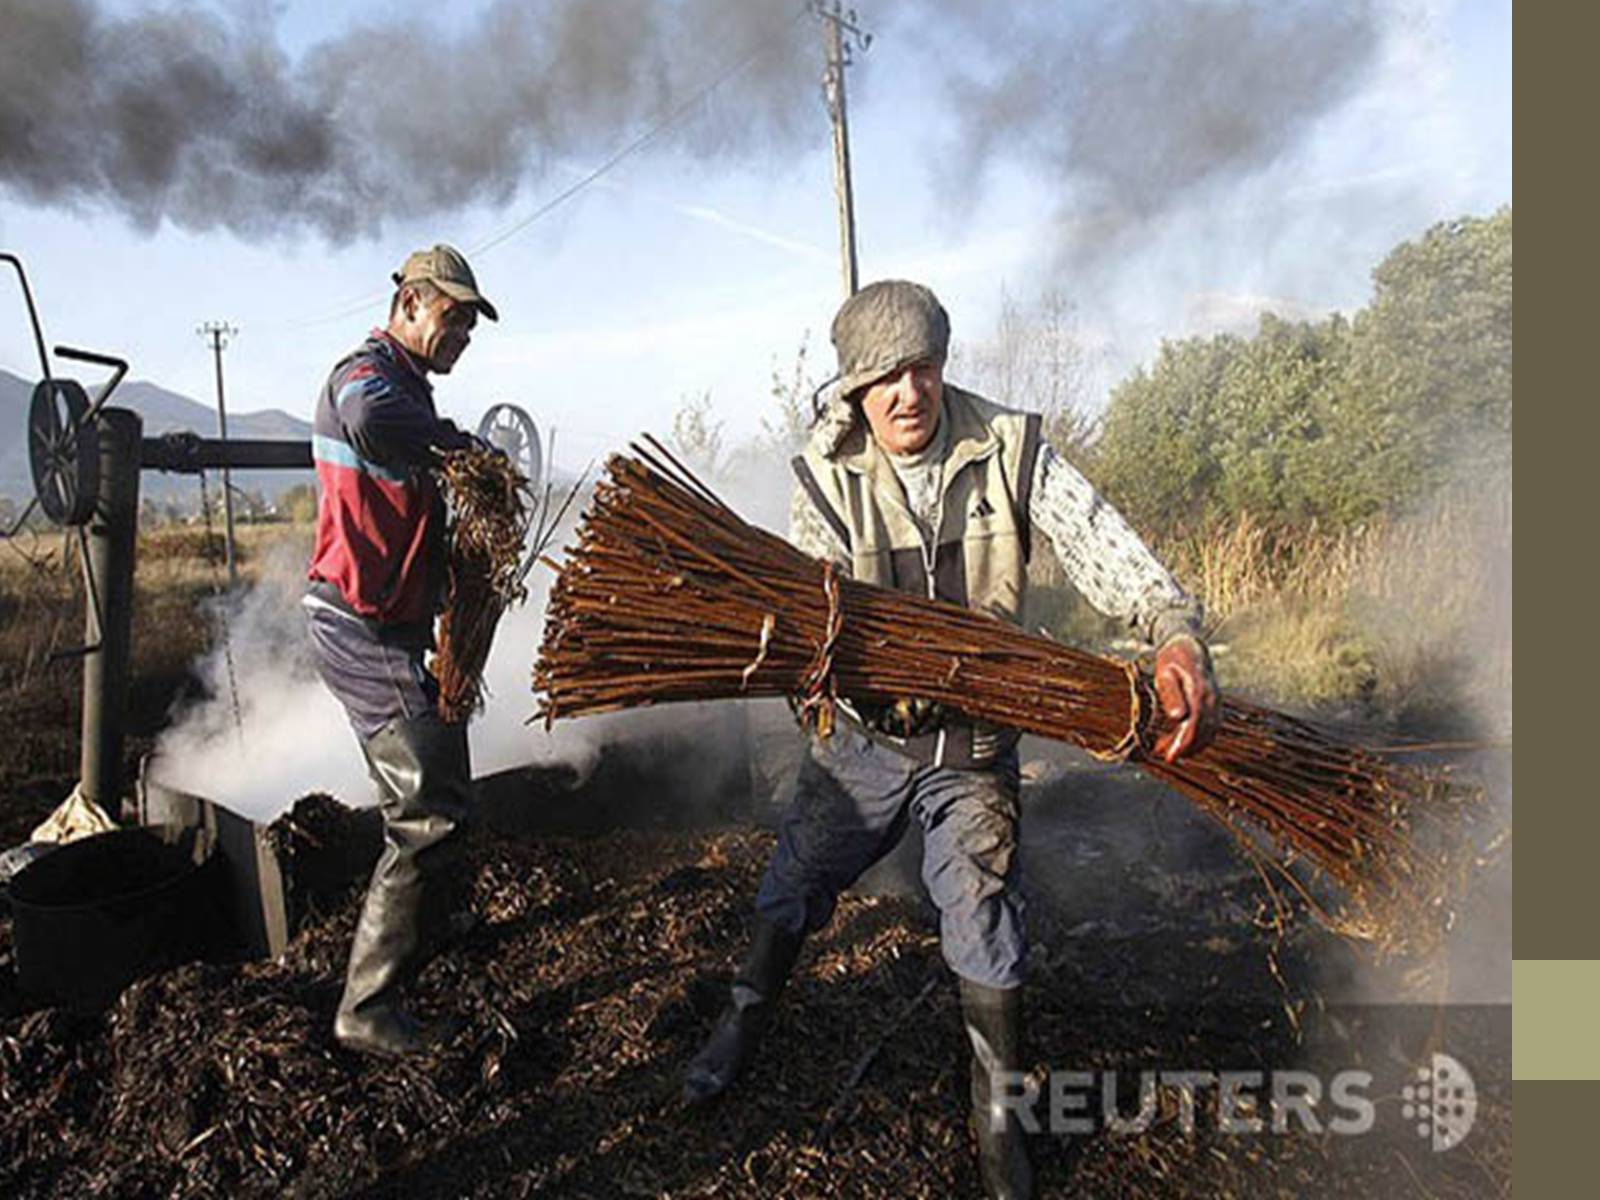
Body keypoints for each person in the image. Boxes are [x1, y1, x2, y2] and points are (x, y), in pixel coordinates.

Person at [682, 280, 1220, 1198]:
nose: (907, 393)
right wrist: (816, 698)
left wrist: (1170, 626)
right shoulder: (823, 476)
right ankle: (740, 1018)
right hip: (865, 743)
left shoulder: (1009, 448)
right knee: (797, 880)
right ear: (854, 390)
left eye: (922, 368)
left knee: (981, 907)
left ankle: (998, 1122)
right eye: (883, 378)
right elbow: (808, 619)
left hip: (972, 746)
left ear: (943, 367)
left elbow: (1100, 541)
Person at [302, 244, 499, 1057]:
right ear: (411, 303)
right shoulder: (367, 374)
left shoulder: (408, 385)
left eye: (469, 324)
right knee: (427, 812)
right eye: (452, 318)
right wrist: (462, 451)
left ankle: (426, 933)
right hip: (359, 627)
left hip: (392, 629)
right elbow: (370, 421)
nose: (461, 335)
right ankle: (366, 1006)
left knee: (444, 769)